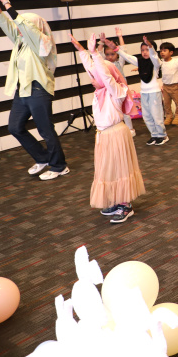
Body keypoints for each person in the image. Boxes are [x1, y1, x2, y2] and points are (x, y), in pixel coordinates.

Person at [0, 0, 69, 180]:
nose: (18, 28)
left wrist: (6, 1)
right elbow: (4, 22)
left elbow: (24, 26)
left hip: (38, 90)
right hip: (22, 90)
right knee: (15, 127)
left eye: (22, 25)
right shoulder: (20, 42)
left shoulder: (41, 42)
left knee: (45, 129)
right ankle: (43, 158)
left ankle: (59, 166)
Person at [72, 33, 144, 223]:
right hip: (103, 135)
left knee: (120, 168)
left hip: (116, 134)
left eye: (96, 77)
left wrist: (95, 53)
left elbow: (104, 74)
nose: (92, 79)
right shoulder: (99, 91)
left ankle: (125, 205)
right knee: (108, 169)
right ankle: (116, 200)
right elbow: (94, 70)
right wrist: (82, 52)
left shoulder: (115, 90)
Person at [117, 36, 168, 146]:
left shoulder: (156, 63)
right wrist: (117, 50)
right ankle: (154, 134)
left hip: (154, 92)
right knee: (147, 115)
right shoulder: (139, 61)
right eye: (142, 50)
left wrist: (150, 46)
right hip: (144, 93)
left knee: (156, 115)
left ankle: (162, 135)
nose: (145, 52)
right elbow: (128, 57)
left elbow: (154, 56)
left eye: (147, 50)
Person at [157, 42, 178, 126]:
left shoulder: (176, 61)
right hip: (165, 86)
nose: (162, 52)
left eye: (164, 50)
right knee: (167, 103)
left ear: (171, 52)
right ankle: (168, 116)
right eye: (161, 51)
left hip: (175, 86)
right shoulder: (161, 62)